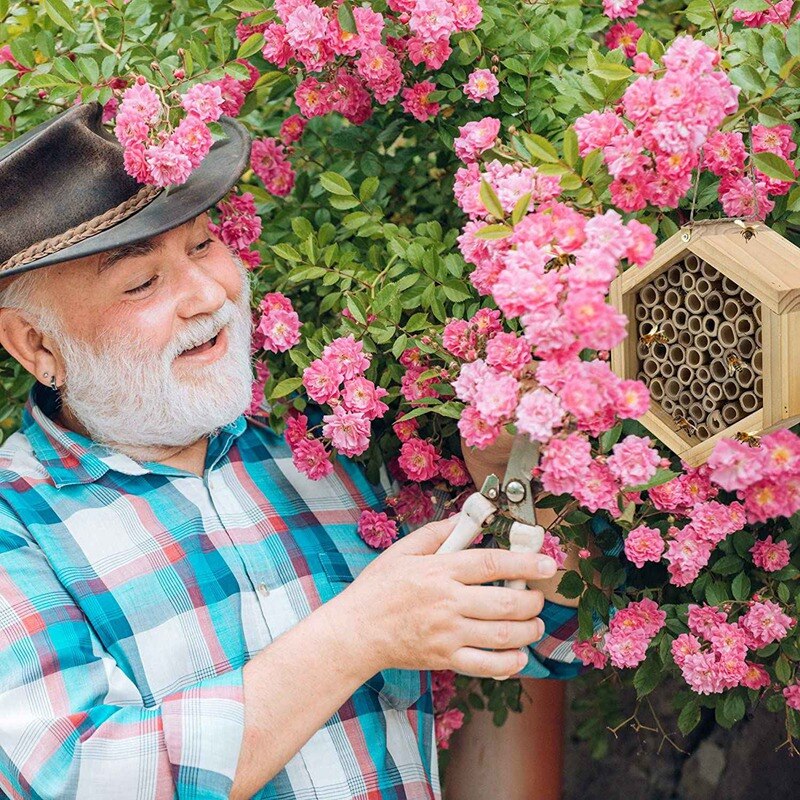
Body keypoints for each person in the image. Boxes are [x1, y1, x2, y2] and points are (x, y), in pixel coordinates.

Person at [0, 102, 583, 800]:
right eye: (143, 282)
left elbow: (546, 637)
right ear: (36, 345)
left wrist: (512, 487)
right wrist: (359, 632)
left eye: (202, 244)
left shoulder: (320, 442)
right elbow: (77, 779)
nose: (208, 294)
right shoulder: (16, 528)